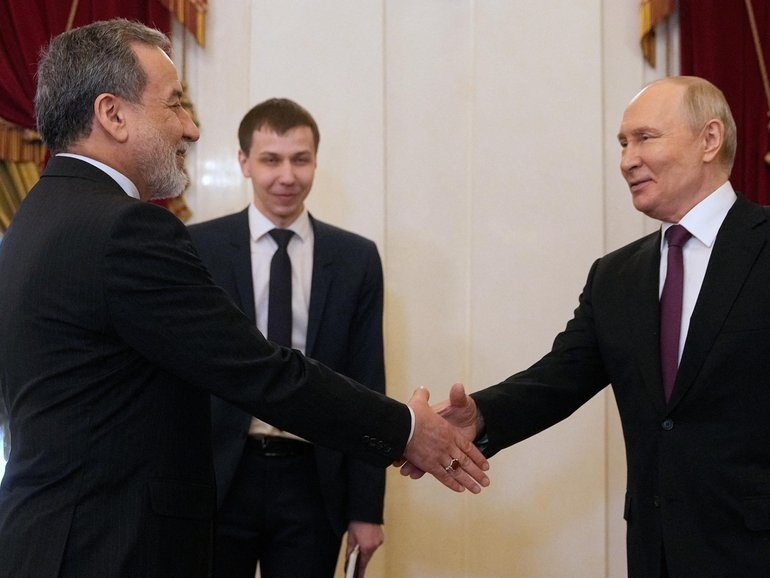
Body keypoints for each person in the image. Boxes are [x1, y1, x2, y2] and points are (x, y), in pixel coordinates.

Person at [0, 19, 489, 578]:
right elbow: (259, 371)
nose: (190, 128)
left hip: (47, 539)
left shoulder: (36, 215)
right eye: (175, 103)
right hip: (107, 547)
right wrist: (407, 429)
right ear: (112, 114)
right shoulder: (126, 229)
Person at [405, 76, 770, 577]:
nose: (627, 160)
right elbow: (558, 379)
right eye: (622, 144)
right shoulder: (616, 276)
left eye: (645, 138)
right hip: (656, 552)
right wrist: (480, 417)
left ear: (709, 139)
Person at [187, 98, 387, 577]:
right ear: (244, 162)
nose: (287, 176)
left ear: (315, 161)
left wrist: (367, 508)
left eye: (300, 159)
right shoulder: (197, 248)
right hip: (218, 476)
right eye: (270, 160)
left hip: (313, 481)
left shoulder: (356, 258)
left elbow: (367, 382)